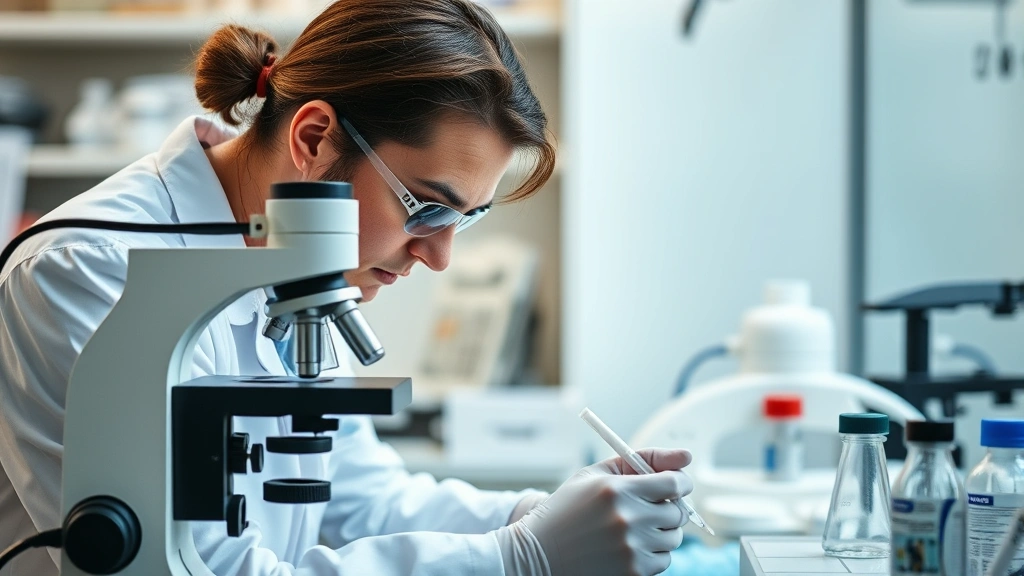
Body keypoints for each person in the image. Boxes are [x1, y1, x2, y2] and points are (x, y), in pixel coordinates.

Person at [0, 1, 694, 575]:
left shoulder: (306, 271)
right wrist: (521, 558)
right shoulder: (85, 270)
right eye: (426, 208)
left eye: (467, 219)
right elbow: (197, 569)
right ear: (315, 138)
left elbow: (359, 499)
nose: (441, 256)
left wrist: (542, 514)